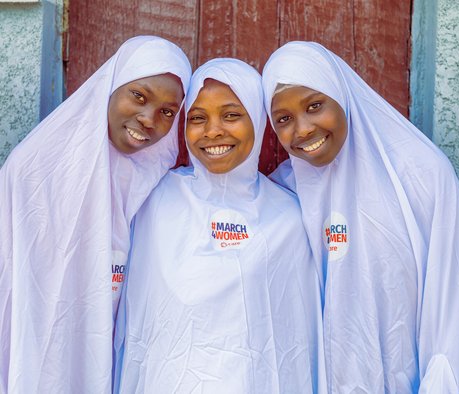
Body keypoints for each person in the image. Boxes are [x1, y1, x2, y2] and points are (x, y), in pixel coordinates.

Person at [262, 41, 459, 393]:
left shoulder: (420, 176)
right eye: (284, 119)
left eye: (314, 105)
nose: (303, 128)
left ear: (342, 96)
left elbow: (453, 311)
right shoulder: (286, 191)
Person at [114, 58, 325, 393]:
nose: (213, 131)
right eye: (198, 118)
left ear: (258, 118)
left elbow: (297, 344)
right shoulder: (155, 203)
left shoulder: (290, 217)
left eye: (231, 115)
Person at [0, 35, 191, 393]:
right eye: (138, 96)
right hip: (46, 352)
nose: (149, 119)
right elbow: (17, 285)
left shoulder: (158, 177)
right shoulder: (38, 168)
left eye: (168, 112)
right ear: (111, 86)